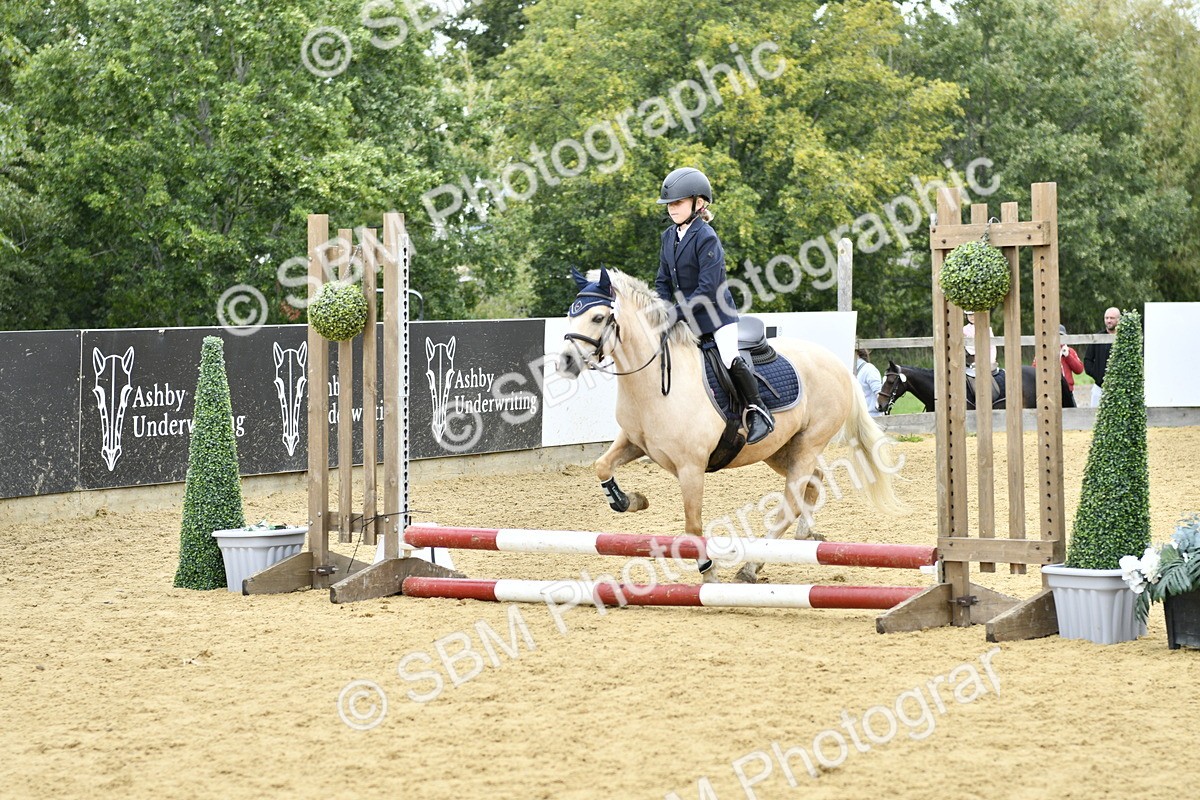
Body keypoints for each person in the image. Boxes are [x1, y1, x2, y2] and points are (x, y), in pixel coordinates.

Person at [654, 166, 774, 444]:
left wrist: (675, 313)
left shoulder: (706, 236)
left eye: (678, 202)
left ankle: (758, 411)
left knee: (729, 356)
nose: (672, 208)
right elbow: (662, 281)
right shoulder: (668, 236)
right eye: (669, 203)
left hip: (717, 316)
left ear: (699, 203)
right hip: (687, 318)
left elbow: (707, 289)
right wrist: (661, 309)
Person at [1083, 307, 1120, 407]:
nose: (1109, 320)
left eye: (1112, 318)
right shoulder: (1097, 338)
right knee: (1095, 414)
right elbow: (1087, 360)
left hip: (1120, 388)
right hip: (1099, 388)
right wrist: (1098, 376)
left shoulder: (1124, 339)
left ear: (1118, 319)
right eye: (1106, 318)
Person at [963, 310, 997, 375]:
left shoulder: (986, 328)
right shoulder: (964, 329)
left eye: (974, 314)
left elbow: (992, 346)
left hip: (984, 356)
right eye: (970, 315)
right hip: (969, 358)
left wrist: (991, 359)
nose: (972, 317)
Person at [855, 348, 883, 417]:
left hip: (872, 416)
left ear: (857, 354)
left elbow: (879, 393)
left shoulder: (869, 370)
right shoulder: (853, 369)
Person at [1058, 324, 1084, 392]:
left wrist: (1068, 356)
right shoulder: (1045, 353)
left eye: (1061, 336)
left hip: (1067, 390)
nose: (1059, 339)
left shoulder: (1070, 351)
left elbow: (1079, 370)